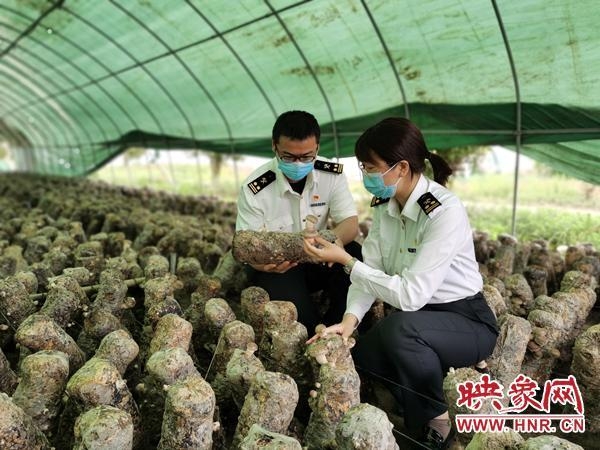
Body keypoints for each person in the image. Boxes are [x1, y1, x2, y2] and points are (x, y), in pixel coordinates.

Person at [304, 117, 498, 449]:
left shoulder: (443, 212)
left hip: (466, 321)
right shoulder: (386, 207)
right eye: (362, 167)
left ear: (401, 167)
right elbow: (372, 268)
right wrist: (348, 323)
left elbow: (410, 295)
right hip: (421, 320)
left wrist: (346, 261)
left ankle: (438, 417)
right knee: (364, 356)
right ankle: (420, 389)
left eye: (370, 167)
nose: (365, 175)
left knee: (400, 330)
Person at [236, 110, 361, 333]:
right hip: (280, 266)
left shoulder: (331, 175)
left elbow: (350, 223)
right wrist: (263, 265)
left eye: (306, 157)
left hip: (320, 257)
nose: (297, 164)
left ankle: (338, 326)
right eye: (288, 156)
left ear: (317, 149)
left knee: (355, 252)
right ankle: (312, 332)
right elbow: (248, 245)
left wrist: (333, 243)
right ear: (274, 146)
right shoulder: (255, 188)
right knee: (300, 320)